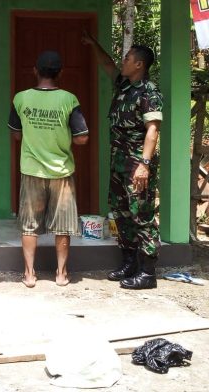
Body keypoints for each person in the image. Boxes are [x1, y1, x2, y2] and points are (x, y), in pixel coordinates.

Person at [81, 31, 162, 290]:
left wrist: (144, 165)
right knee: (122, 212)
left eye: (127, 58)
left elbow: (153, 130)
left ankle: (147, 272)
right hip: (119, 161)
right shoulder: (125, 85)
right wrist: (94, 43)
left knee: (142, 214)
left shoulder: (148, 91)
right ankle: (129, 263)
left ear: (139, 64)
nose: (123, 61)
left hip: (137, 164)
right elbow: (107, 64)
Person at [8, 50, 89, 288]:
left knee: (29, 225)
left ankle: (29, 274)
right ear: (60, 73)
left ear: (35, 71)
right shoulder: (69, 99)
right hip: (61, 171)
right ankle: (61, 274)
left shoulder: (21, 98)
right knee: (63, 226)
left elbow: (16, 134)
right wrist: (61, 137)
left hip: (31, 170)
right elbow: (82, 138)